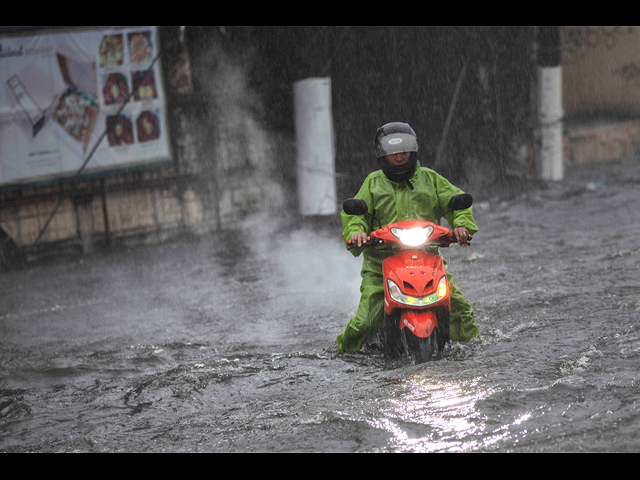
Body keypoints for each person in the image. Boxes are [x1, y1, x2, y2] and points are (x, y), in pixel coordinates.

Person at [334, 121, 480, 354]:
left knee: (459, 308)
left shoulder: (430, 179)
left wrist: (462, 226)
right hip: (380, 265)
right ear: (382, 155)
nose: (399, 158)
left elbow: (456, 201)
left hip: (427, 259)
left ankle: (475, 350)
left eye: (403, 152)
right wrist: (357, 233)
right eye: (393, 154)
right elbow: (357, 216)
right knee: (365, 320)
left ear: (412, 151)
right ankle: (342, 349)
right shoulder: (372, 183)